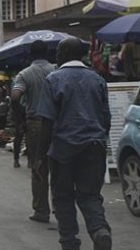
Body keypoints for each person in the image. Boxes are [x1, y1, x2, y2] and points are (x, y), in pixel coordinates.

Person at [36, 38, 112, 250]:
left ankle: (70, 243)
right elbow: (106, 118)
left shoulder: (54, 80)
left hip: (64, 149)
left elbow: (47, 122)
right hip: (94, 146)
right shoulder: (97, 79)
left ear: (63, 55)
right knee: (90, 196)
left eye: (59, 53)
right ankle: (99, 230)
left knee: (63, 198)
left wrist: (39, 157)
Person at [11, 40, 57, 223]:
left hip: (36, 125)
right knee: (59, 169)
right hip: (58, 125)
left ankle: (41, 211)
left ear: (31, 55)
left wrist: (20, 120)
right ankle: (61, 209)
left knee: (38, 167)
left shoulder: (25, 74)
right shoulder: (57, 71)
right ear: (48, 53)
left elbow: (15, 96)